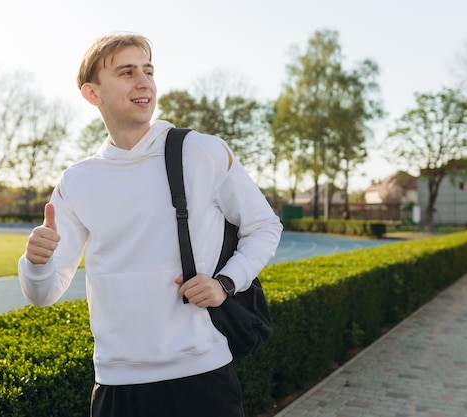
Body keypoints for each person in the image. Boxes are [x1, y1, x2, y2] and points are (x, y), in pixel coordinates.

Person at [18, 33, 283, 417]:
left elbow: (264, 226)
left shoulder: (201, 151)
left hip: (202, 375)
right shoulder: (77, 180)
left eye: (148, 71)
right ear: (93, 94)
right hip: (115, 383)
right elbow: (42, 294)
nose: (144, 82)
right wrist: (36, 264)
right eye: (127, 72)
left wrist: (226, 281)